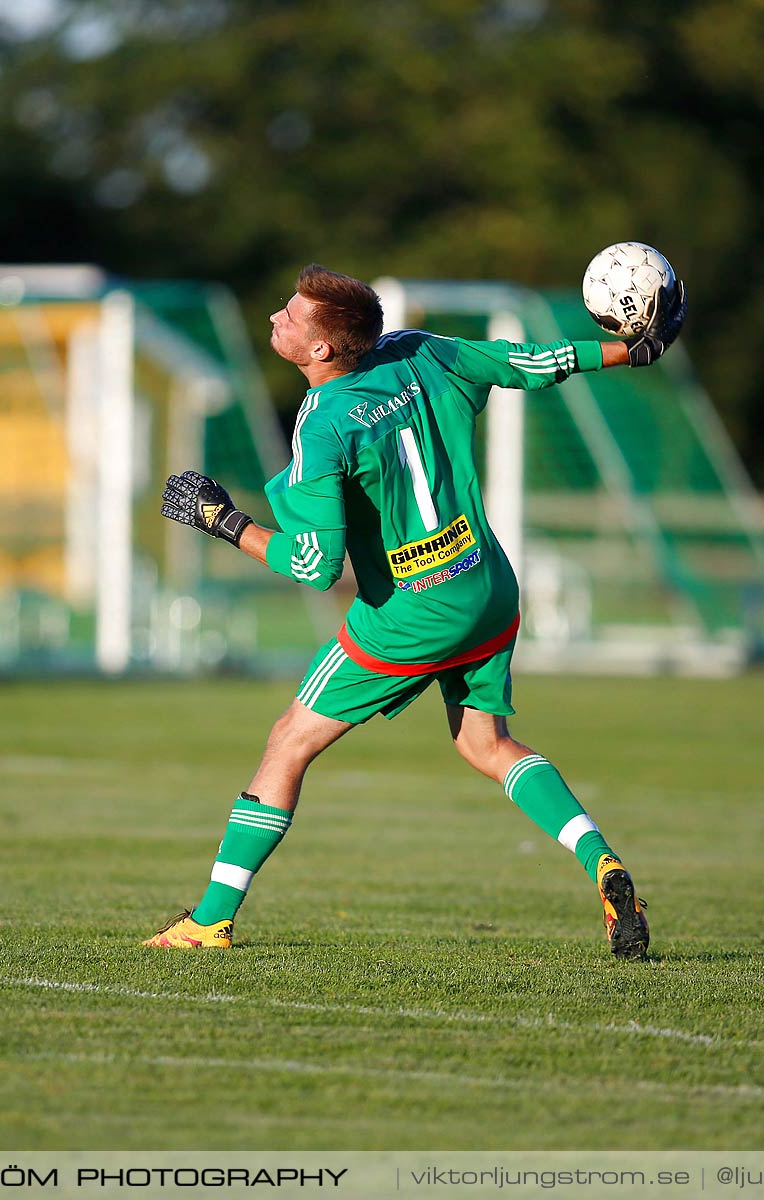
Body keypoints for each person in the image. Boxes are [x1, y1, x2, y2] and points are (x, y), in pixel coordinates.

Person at [146, 264, 685, 957]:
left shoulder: (322, 427)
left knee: (289, 740)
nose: (277, 317)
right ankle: (603, 863)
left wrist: (223, 521)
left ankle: (210, 921)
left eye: (291, 315)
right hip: (486, 586)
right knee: (485, 744)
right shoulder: (421, 349)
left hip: (414, 610)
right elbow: (534, 362)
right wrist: (631, 350)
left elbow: (314, 566)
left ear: (322, 351)